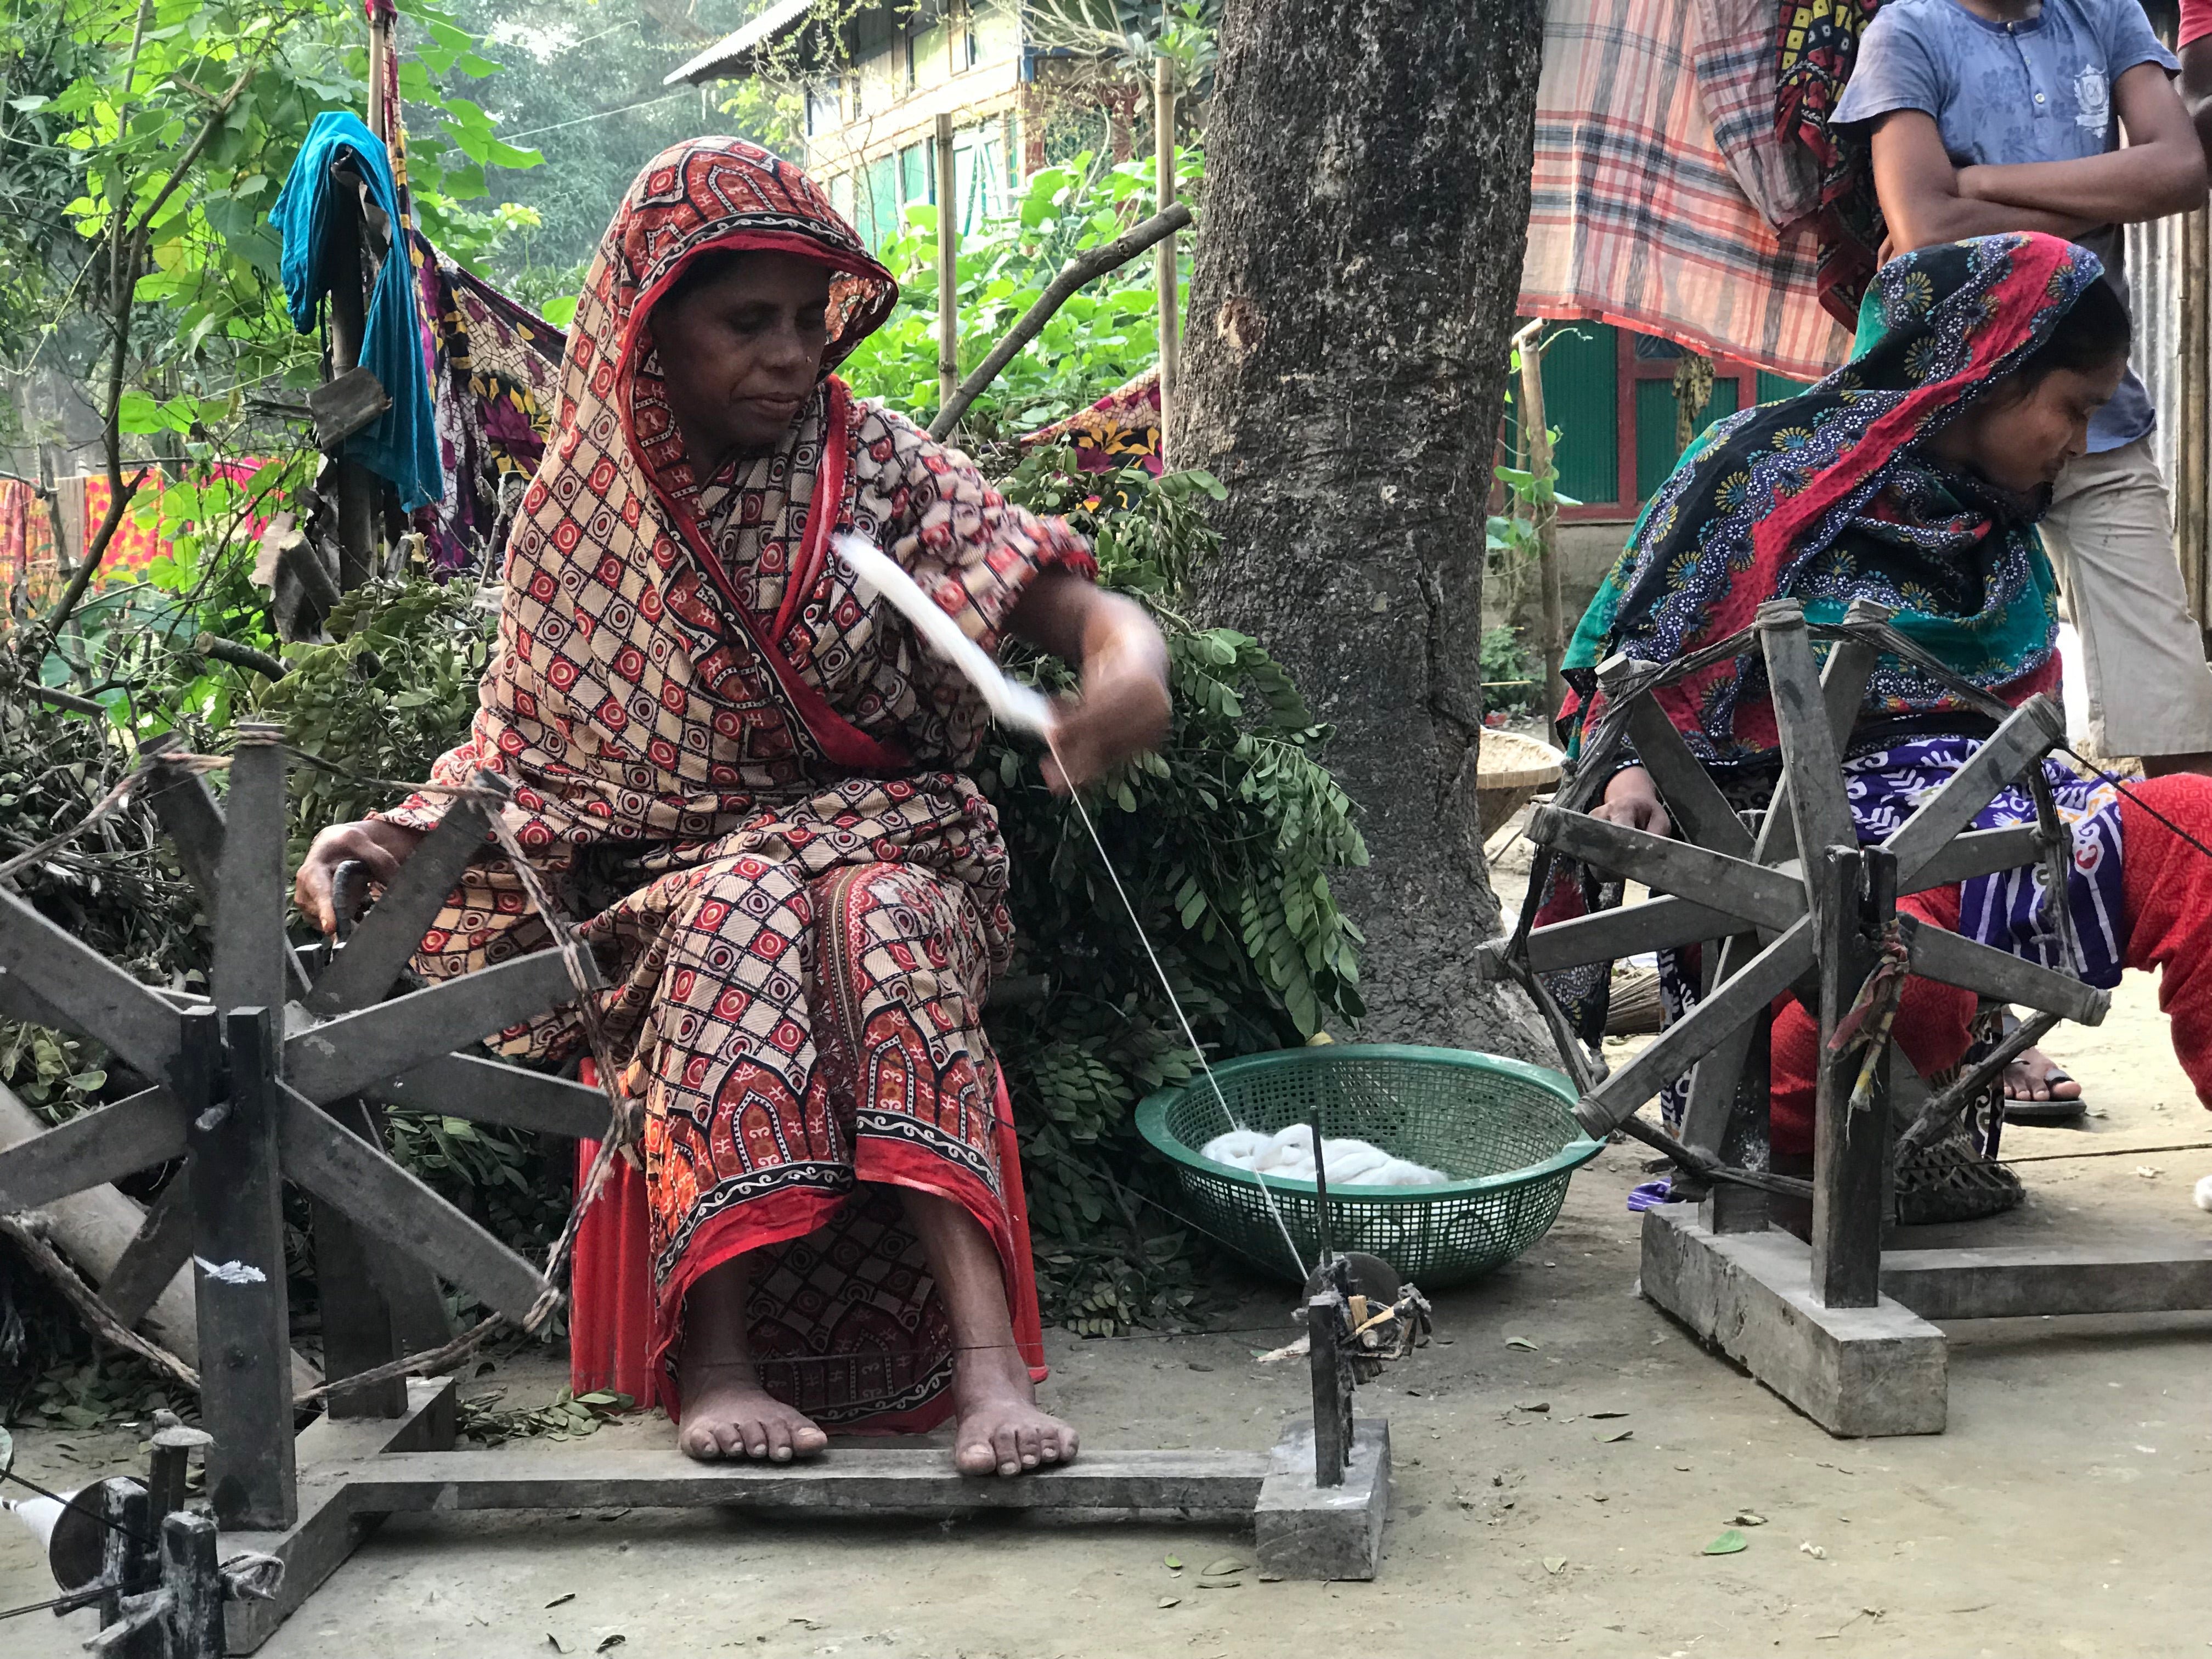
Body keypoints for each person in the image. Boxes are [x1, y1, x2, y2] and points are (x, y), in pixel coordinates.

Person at [292, 138, 1171, 1475]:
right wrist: (401, 832)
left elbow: (1077, 608)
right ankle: (718, 1357)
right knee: (744, 907)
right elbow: (522, 752)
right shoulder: (583, 530)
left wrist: (1128, 675)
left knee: (871, 913)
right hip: (679, 884)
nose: (791, 355)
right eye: (746, 323)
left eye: (810, 321)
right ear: (652, 333)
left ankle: (987, 1367)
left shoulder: (876, 469)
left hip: (904, 850)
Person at [1547, 233, 2212, 1190]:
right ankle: (1816, 1153)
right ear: (1991, 370)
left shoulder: (1998, 529)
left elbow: (2021, 734)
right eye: (2073, 408)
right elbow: (1626, 663)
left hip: (1993, 826)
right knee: (1901, 940)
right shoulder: (1760, 472)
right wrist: (1627, 770)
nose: (2079, 441)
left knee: (2197, 837)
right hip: (1802, 860)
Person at [1831, 0, 2210, 1107]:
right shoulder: (1908, 30)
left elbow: (2183, 171)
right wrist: (2089, 181)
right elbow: (1918, 218)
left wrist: (1991, 183)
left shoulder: (2105, 13)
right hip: (1949, 417)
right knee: (1945, 730)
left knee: (2176, 711)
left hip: (2093, 410)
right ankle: (1984, 1016)